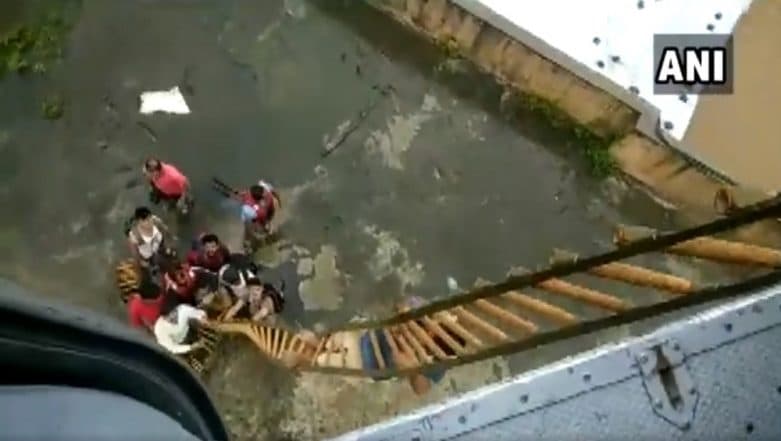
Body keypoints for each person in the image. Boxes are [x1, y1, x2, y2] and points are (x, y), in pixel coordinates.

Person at [125, 207, 174, 274]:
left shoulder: (155, 220)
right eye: (147, 220)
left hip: (160, 244)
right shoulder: (135, 236)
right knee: (155, 264)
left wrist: (169, 241)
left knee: (166, 255)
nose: (150, 221)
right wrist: (141, 262)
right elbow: (135, 253)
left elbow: (164, 229)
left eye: (150, 218)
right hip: (149, 255)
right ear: (140, 222)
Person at [239, 180, 280, 252]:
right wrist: (267, 223)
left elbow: (271, 211)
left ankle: (248, 244)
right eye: (263, 192)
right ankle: (251, 245)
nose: (265, 193)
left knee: (251, 232)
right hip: (255, 220)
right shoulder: (262, 206)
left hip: (256, 218)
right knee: (257, 232)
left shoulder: (248, 195)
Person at [218, 256, 262, 320]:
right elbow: (236, 307)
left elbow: (258, 289)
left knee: (252, 308)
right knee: (230, 304)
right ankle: (226, 313)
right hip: (239, 293)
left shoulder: (248, 276)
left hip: (250, 292)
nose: (237, 282)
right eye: (235, 282)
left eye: (238, 281)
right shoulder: (224, 279)